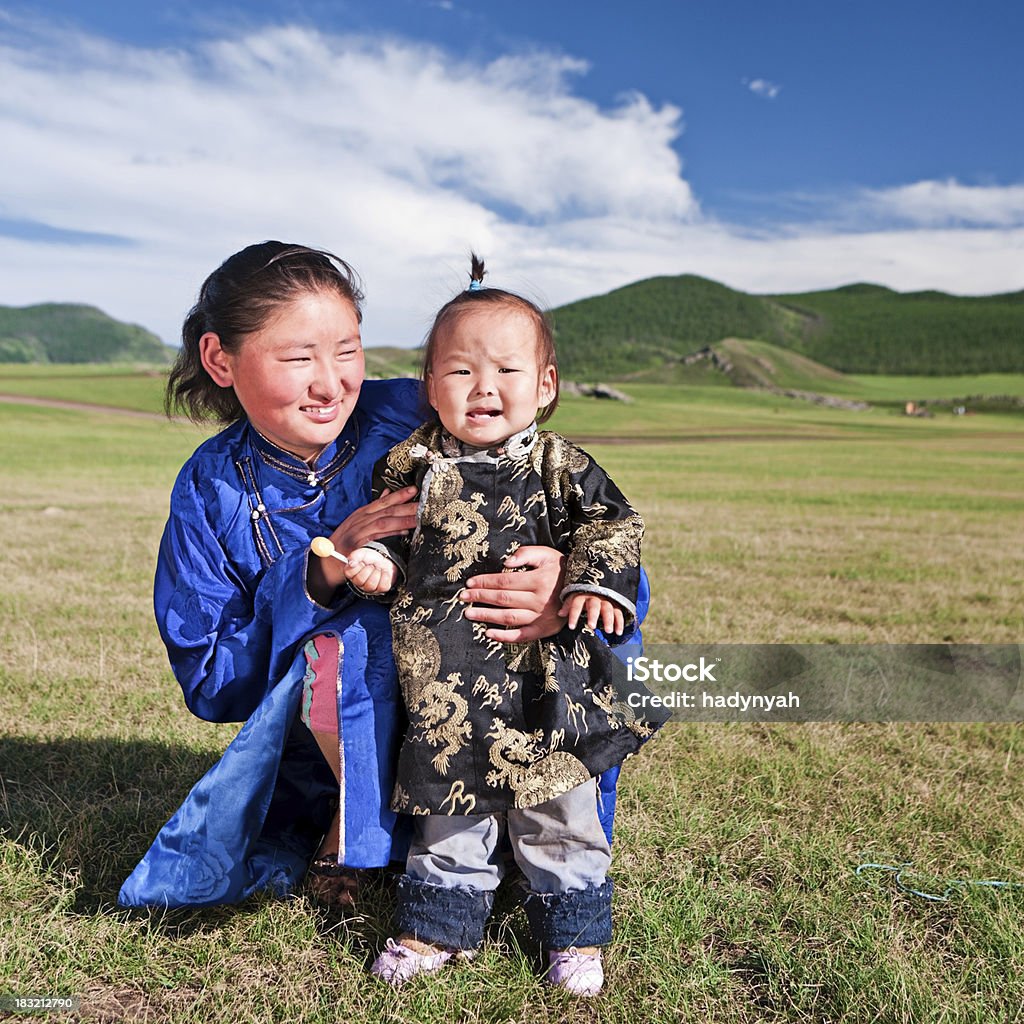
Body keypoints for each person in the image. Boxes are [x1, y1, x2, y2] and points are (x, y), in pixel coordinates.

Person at [117, 242, 582, 910]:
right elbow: (212, 680)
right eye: (298, 357)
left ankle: (518, 826)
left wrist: (560, 577)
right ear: (221, 359)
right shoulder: (208, 489)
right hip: (320, 750)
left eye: (347, 350)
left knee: (590, 623)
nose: (331, 383)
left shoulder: (417, 415)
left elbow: (559, 495)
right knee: (348, 642)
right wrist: (317, 574)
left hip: (487, 681)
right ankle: (364, 832)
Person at [316, 255, 665, 995]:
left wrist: (587, 579)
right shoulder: (411, 468)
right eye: (460, 372)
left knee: (558, 809)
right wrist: (377, 566)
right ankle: (436, 928)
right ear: (429, 386)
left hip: (548, 684)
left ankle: (573, 937)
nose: (484, 388)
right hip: (445, 681)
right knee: (446, 812)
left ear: (545, 386)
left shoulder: (562, 466)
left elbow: (614, 527)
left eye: (507, 371)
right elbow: (391, 547)